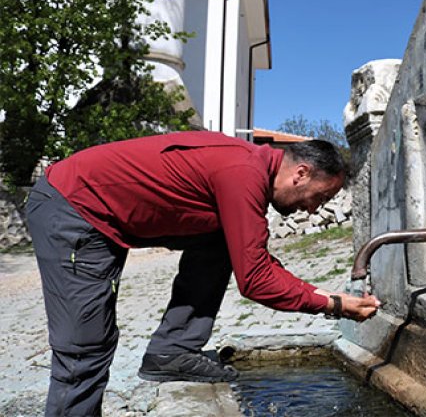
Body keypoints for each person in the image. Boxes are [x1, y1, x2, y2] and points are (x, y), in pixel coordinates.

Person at [24, 131, 381, 416]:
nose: (313, 207)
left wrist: (327, 297)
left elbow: (251, 256)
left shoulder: (249, 166)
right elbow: (255, 279)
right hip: (72, 208)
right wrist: (333, 304)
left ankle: (173, 351)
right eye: (318, 196)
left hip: (102, 213)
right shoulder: (243, 173)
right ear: (301, 173)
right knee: (85, 347)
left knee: (222, 240)